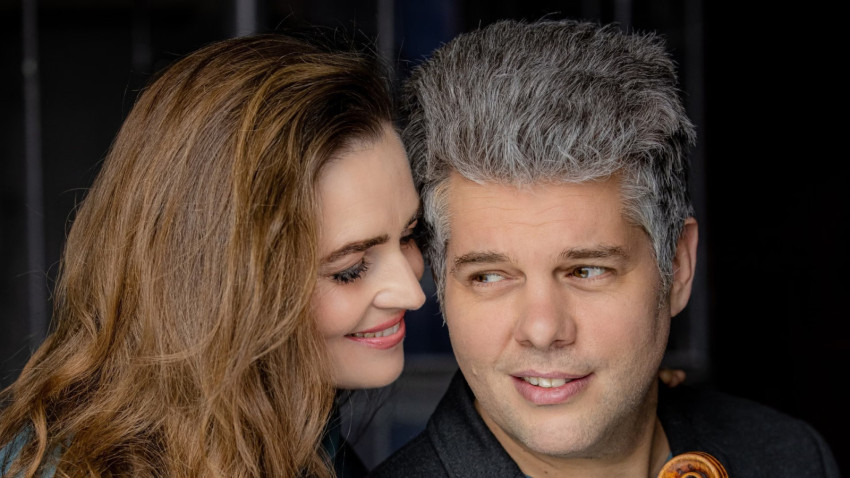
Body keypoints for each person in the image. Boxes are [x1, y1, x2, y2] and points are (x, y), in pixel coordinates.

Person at [371, 18, 840, 477]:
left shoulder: (790, 457)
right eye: (488, 276)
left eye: (586, 270)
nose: (542, 330)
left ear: (677, 267)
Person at [0, 32, 425, 477]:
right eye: (350, 269)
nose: (412, 293)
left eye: (410, 235)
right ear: (218, 286)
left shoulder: (301, 433)